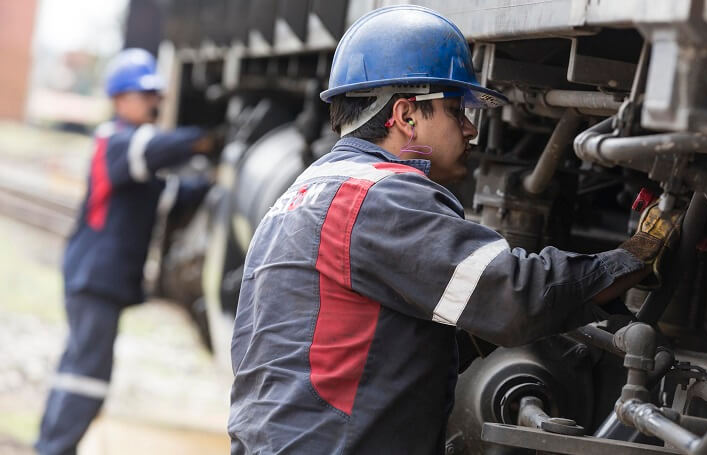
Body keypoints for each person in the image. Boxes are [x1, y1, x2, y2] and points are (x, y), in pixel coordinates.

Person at [227, 6, 681, 454]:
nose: (470, 130)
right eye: (454, 109)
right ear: (406, 115)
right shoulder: (383, 195)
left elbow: (357, 343)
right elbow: (514, 297)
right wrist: (636, 256)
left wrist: (474, 333)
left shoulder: (306, 192)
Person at [36, 48, 217, 455]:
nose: (153, 101)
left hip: (96, 279)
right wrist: (204, 139)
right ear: (120, 99)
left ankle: (50, 446)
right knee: (86, 376)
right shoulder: (115, 142)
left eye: (155, 93)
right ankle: (53, 448)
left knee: (81, 369)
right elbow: (152, 150)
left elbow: (168, 194)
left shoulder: (134, 162)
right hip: (94, 278)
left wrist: (211, 184)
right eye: (143, 93)